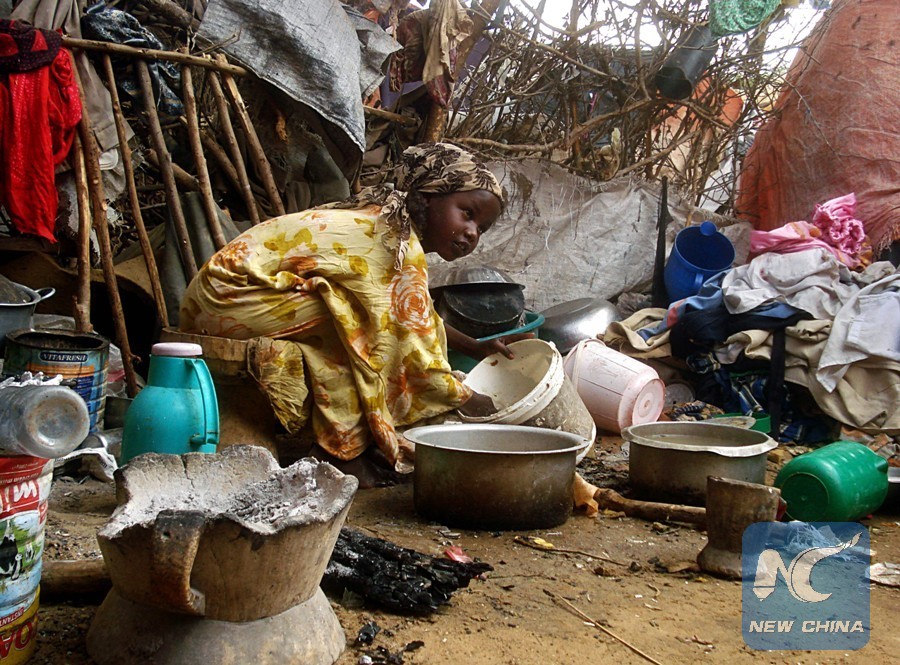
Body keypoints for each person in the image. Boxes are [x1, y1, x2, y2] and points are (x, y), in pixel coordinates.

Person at [179, 142, 524, 484]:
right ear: (430, 196)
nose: (472, 232)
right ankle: (343, 453)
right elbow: (408, 340)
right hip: (228, 298)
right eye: (468, 213)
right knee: (364, 334)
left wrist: (473, 347)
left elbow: (416, 318)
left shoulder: (389, 226)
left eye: (482, 228)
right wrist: (466, 398)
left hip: (217, 297)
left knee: (358, 324)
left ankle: (345, 448)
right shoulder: (390, 241)